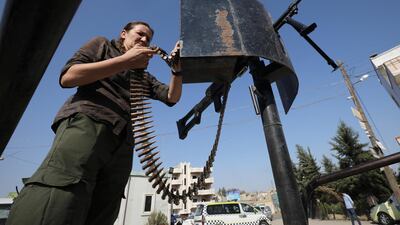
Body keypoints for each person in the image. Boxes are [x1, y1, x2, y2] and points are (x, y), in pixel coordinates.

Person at [6, 21, 182, 225]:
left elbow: (172, 97)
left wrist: (176, 70)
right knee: (62, 191)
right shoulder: (102, 45)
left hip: (123, 141)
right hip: (88, 122)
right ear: (123, 34)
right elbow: (69, 77)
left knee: (105, 205)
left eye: (148, 38)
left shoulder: (143, 76)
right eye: (140, 34)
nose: (144, 40)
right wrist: (125, 61)